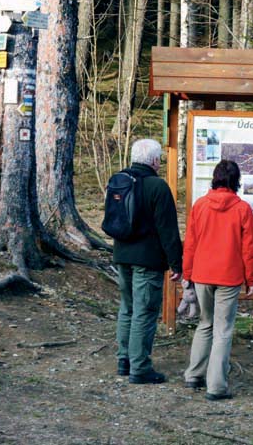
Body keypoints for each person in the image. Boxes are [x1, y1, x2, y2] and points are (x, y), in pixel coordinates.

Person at [183, 159, 253, 400]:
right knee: (223, 330)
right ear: (236, 181)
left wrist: (187, 274)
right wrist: (251, 278)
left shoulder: (200, 205)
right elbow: (249, 248)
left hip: (202, 274)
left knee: (205, 323)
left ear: (214, 179)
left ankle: (194, 375)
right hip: (229, 275)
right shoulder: (242, 209)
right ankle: (216, 386)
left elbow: (191, 244)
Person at [114, 139, 182, 384]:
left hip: (122, 256)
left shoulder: (119, 181)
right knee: (144, 312)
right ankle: (140, 367)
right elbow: (168, 231)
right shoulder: (157, 187)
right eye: (160, 159)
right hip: (148, 261)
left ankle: (124, 360)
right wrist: (177, 264)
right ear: (155, 161)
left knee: (127, 308)